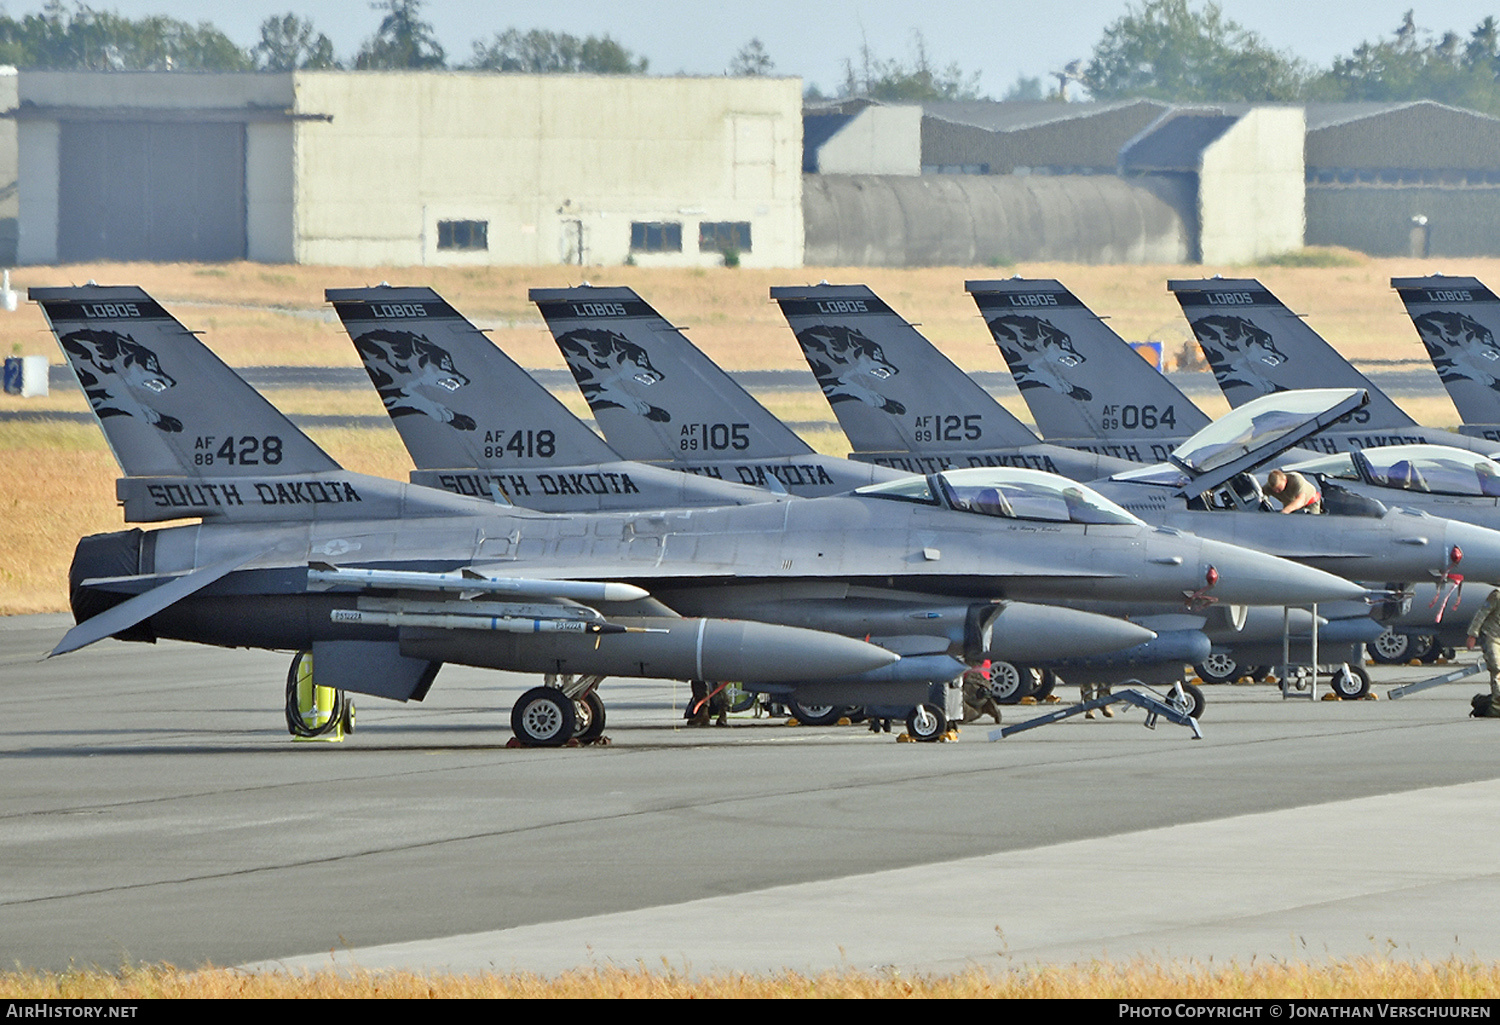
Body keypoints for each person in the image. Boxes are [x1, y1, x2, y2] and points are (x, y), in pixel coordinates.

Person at [1466, 591, 1500, 716]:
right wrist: (1472, 635)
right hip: (1492, 636)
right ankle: (1496, 708)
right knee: (1497, 668)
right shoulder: (1497, 595)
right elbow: (1482, 614)